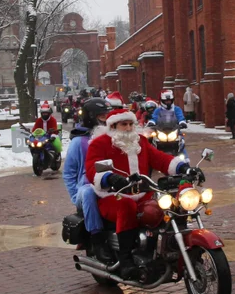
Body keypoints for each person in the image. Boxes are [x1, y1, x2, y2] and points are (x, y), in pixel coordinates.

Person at [85, 106, 201, 279]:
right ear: (113, 126)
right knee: (126, 205)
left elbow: (160, 158)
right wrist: (110, 178)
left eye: (131, 124)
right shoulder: (100, 143)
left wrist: (183, 167)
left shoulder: (140, 141)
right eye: (124, 124)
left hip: (143, 194)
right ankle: (126, 261)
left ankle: (156, 251)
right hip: (112, 196)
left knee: (163, 208)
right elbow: (92, 168)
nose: (129, 128)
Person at [62, 97, 109, 255]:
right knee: (89, 192)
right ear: (91, 117)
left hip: (111, 183)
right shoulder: (79, 142)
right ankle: (97, 239)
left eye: (108, 116)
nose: (106, 120)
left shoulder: (114, 138)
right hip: (87, 187)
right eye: (102, 116)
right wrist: (76, 196)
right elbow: (69, 173)